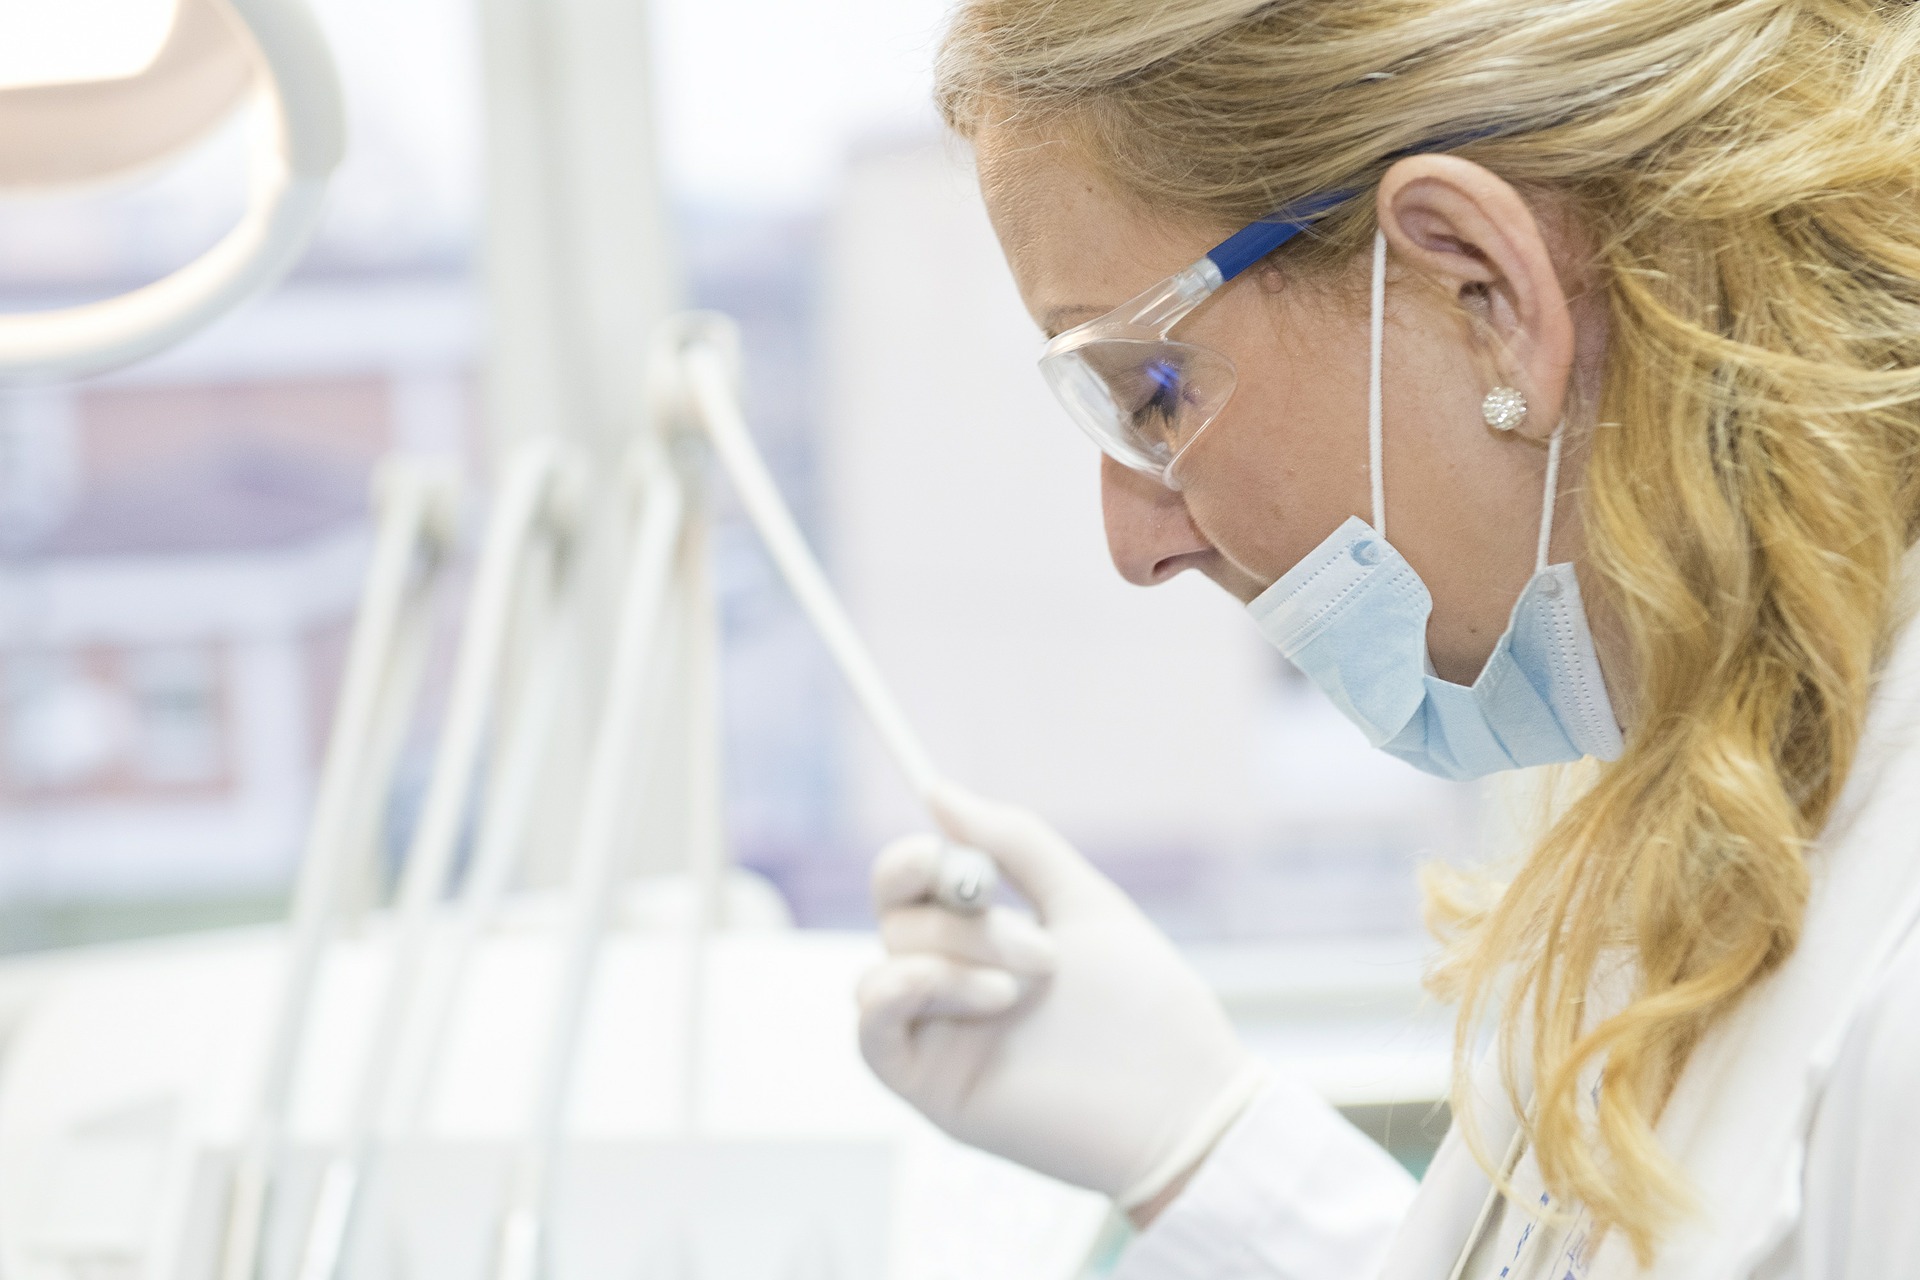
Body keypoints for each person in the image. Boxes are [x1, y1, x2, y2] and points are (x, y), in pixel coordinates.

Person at [853, 2, 1920, 1277]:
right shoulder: (1727, 747)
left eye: (1154, 392)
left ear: (1481, 288)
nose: (1133, 544)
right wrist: (1211, 1147)